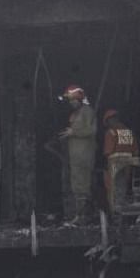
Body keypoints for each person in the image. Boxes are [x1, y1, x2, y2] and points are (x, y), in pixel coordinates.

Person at [58, 85, 97, 223]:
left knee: (83, 186)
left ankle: (84, 216)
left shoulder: (88, 111)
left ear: (79, 99)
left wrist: (74, 132)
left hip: (84, 156)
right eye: (69, 101)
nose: (71, 103)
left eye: (72, 100)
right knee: (76, 186)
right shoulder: (74, 114)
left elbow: (92, 131)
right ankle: (80, 216)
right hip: (75, 157)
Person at [102, 109, 139, 212]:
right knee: (124, 186)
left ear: (109, 120)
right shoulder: (128, 132)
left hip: (115, 162)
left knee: (112, 187)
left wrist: (106, 164)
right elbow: (135, 150)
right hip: (128, 162)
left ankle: (115, 211)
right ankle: (124, 209)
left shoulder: (111, 132)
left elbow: (108, 151)